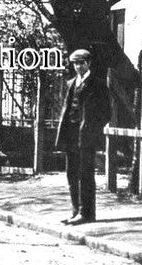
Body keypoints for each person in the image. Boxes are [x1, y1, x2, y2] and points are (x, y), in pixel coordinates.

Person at [53, 47, 112, 224]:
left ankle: (87, 214)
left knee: (85, 174)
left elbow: (106, 112)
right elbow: (66, 108)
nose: (78, 67)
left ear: (89, 63)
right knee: (71, 173)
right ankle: (75, 210)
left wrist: (92, 128)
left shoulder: (98, 84)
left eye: (81, 63)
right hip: (70, 134)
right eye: (75, 63)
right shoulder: (71, 83)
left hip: (86, 136)